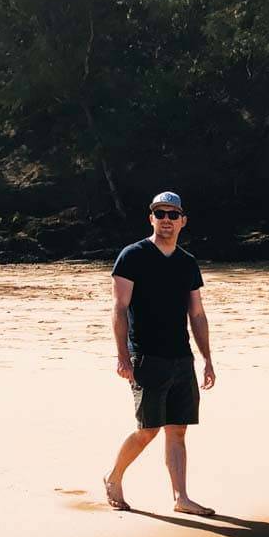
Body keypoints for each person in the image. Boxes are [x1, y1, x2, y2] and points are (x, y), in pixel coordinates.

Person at [103, 191, 216, 515]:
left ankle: (181, 497)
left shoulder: (187, 262)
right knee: (148, 429)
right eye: (160, 213)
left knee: (178, 429)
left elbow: (196, 313)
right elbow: (119, 308)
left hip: (181, 357)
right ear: (151, 218)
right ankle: (114, 477)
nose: (166, 220)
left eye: (172, 214)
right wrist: (123, 356)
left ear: (183, 220)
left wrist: (207, 358)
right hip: (146, 357)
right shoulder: (132, 256)